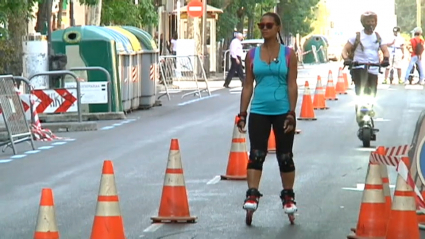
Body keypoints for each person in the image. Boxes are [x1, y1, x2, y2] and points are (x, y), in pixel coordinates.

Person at [236, 12, 298, 217]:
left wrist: (291, 112)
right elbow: (247, 86)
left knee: (285, 156)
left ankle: (288, 195)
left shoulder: (289, 54)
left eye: (269, 25)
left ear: (278, 27)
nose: (264, 28)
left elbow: (292, 84)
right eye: (261, 25)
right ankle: (252, 194)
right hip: (259, 111)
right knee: (256, 154)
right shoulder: (252, 55)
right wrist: (242, 113)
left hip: (282, 111)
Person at [341, 11, 390, 125]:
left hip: (373, 68)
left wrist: (386, 59)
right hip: (359, 67)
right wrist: (346, 59)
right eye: (368, 21)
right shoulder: (356, 36)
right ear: (363, 23)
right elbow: (344, 50)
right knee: (361, 91)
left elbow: (385, 50)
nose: (370, 24)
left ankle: (370, 108)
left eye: (372, 21)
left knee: (372, 92)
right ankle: (360, 111)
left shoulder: (378, 37)